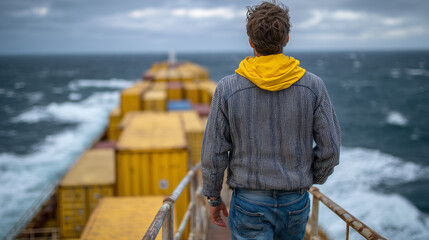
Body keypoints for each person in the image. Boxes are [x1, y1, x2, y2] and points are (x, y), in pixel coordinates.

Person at [201, 1, 341, 239]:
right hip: (295, 201)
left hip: (248, 202)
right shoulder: (313, 86)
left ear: (251, 41)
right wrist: (307, 178)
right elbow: (331, 149)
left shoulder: (227, 88)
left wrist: (214, 197)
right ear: (286, 39)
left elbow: (214, 151)